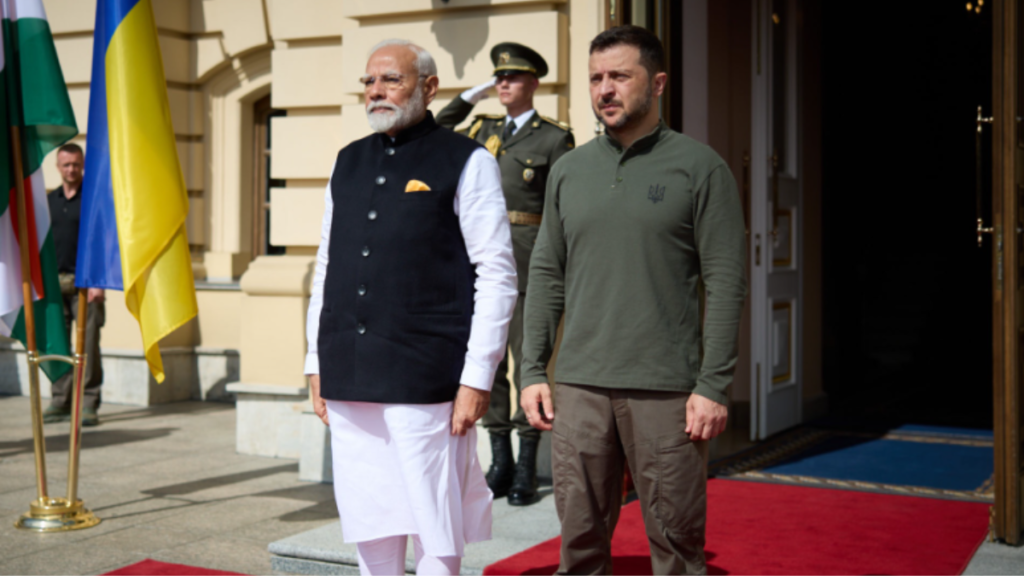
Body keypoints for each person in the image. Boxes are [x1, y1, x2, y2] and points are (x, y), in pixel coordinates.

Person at [520, 26, 747, 575]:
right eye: (597, 78)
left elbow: (726, 280)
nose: (605, 89)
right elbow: (547, 272)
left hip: (666, 391)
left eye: (620, 76)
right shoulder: (570, 170)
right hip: (579, 387)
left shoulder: (699, 168)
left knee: (676, 544)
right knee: (579, 544)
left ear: (658, 82)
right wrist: (531, 370)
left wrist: (713, 384)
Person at [304, 39, 517, 576]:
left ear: (428, 87)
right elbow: (327, 266)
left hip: (427, 373)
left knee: (432, 514)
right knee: (369, 510)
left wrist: (477, 377)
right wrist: (315, 360)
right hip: (349, 366)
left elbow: (497, 274)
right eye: (369, 82)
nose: (376, 91)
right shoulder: (348, 161)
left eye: (390, 80)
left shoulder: (467, 160)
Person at [436, 42, 575, 506]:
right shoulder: (480, 126)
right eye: (498, 77)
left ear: (533, 82)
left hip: (527, 262)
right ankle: (500, 462)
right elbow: (435, 128)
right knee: (487, 363)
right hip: (476, 263)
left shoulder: (554, 138)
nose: (503, 84)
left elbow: (560, 211)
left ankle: (527, 467)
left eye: (512, 77)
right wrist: (471, 97)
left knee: (525, 361)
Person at [43, 143, 104, 427]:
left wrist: (99, 282)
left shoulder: (93, 199)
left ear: (83, 165)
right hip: (54, 284)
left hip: (86, 285)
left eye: (76, 165)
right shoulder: (49, 200)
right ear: (58, 167)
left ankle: (89, 403)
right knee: (57, 343)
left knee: (88, 344)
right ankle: (61, 401)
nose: (71, 169)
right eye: (66, 165)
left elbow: (103, 243)